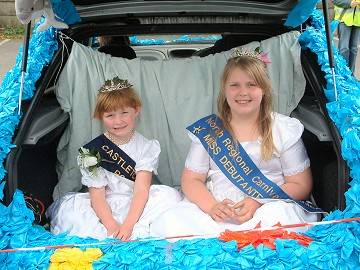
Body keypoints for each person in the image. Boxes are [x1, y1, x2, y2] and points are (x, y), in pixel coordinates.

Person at [150, 49, 321, 238]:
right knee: (173, 222)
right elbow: (191, 180)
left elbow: (300, 184)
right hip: (218, 208)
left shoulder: (283, 129)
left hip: (269, 206)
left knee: (277, 220)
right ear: (224, 89)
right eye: (234, 85)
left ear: (264, 88)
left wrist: (258, 201)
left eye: (252, 85)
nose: (243, 92)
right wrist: (212, 207)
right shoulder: (209, 130)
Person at [47, 77, 181, 240]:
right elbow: (97, 196)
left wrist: (127, 225)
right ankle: (111, 235)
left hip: (137, 204)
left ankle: (135, 231)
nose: (118, 121)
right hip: (104, 205)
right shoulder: (91, 152)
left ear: (136, 110)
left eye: (124, 113)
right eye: (110, 115)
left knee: (169, 196)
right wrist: (111, 225)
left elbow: (141, 191)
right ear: (100, 116)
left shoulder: (147, 147)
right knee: (70, 212)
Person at [334, 0, 360, 74]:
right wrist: (349, 3)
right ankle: (343, 74)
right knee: (344, 48)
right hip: (344, 19)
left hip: (358, 20)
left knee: (354, 49)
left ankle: (351, 75)